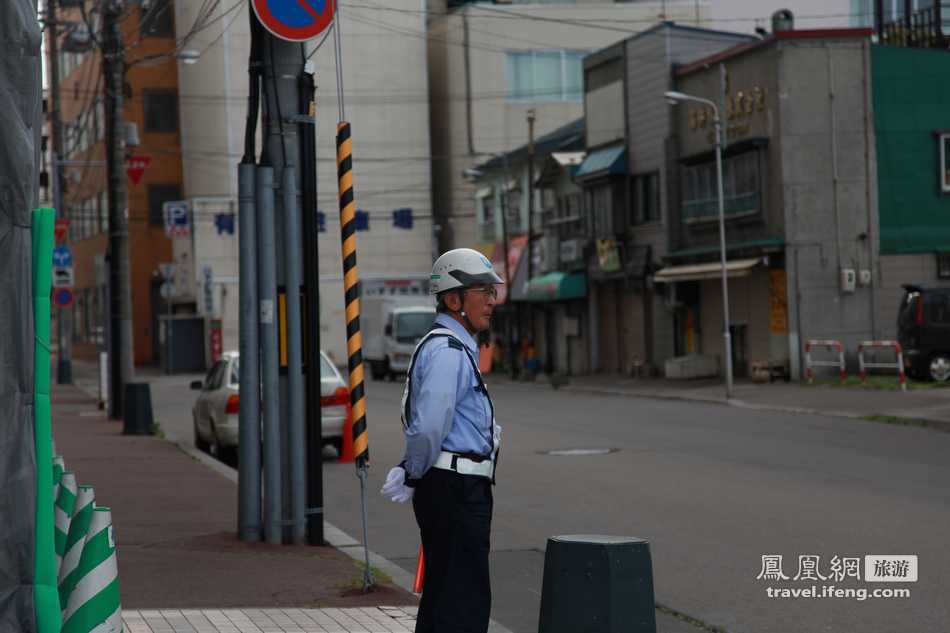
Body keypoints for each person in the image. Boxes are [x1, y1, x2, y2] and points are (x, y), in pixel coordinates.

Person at [381, 248, 503, 633]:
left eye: (492, 292)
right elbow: (430, 425)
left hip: (454, 486)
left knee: (447, 595)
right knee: (462, 603)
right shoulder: (448, 352)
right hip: (455, 489)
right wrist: (413, 472)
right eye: (481, 291)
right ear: (453, 300)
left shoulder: (454, 348)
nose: (491, 300)